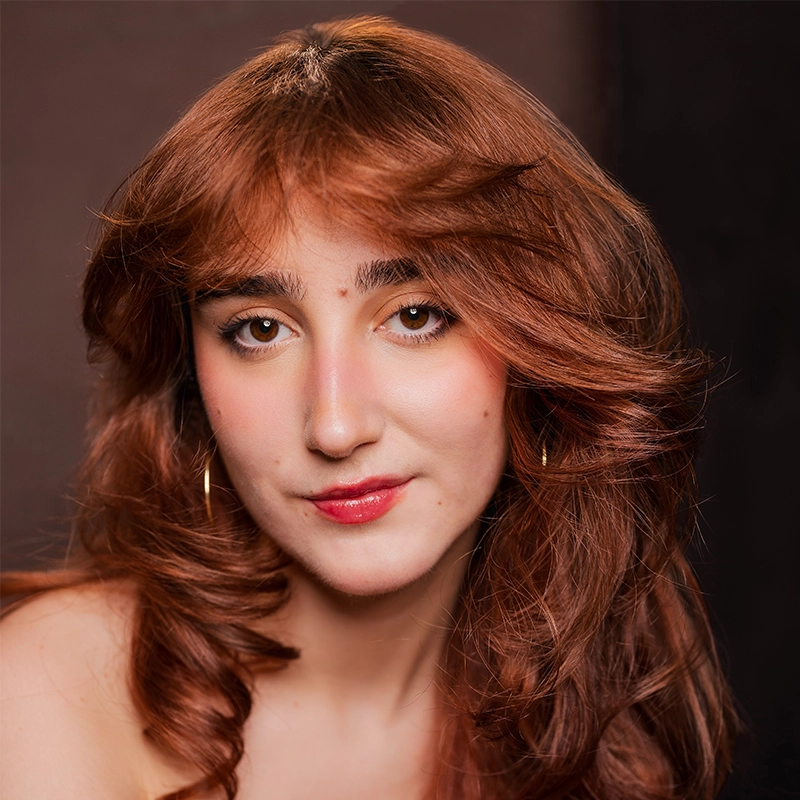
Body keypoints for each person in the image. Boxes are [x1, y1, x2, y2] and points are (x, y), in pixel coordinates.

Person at [0, 15, 737, 800]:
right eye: (259, 330)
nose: (336, 426)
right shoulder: (47, 694)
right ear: (190, 373)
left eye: (415, 316)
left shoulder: (604, 695)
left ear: (541, 342)